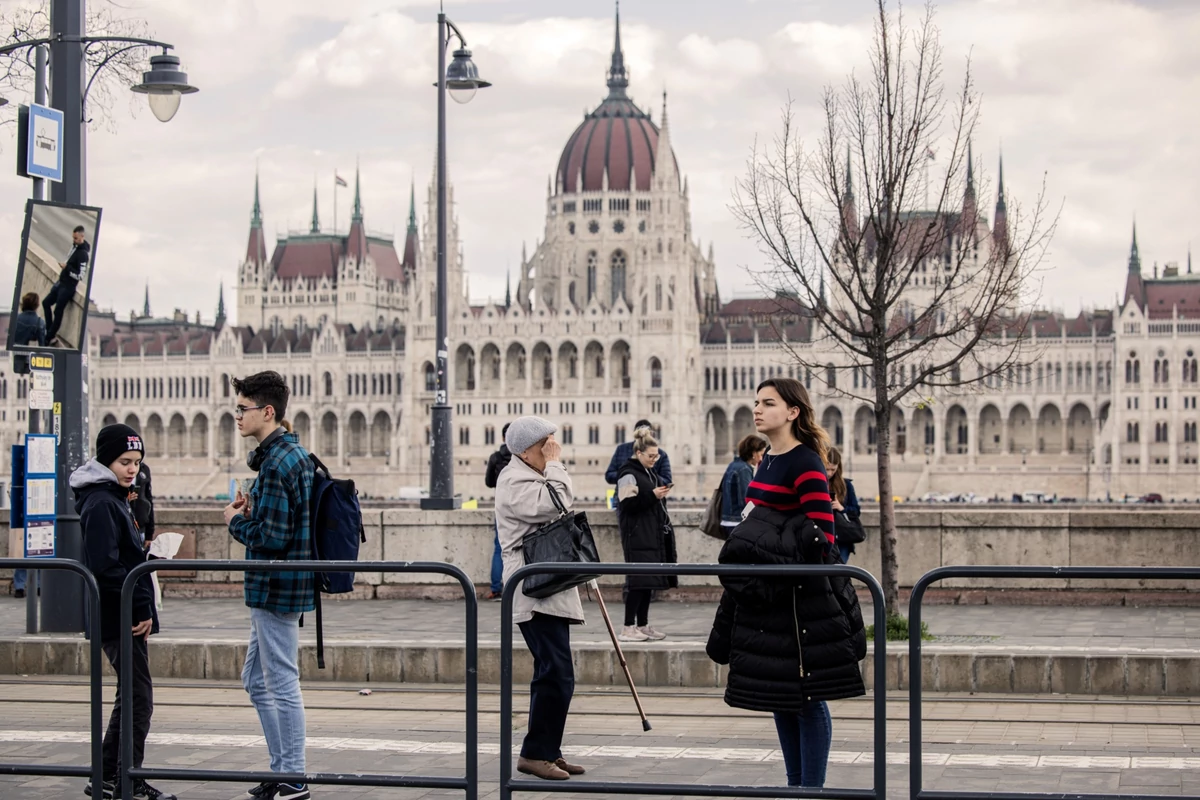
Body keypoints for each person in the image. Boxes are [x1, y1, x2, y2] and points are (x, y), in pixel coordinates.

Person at [705, 378, 866, 789]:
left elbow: (824, 537)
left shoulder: (806, 462)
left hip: (800, 602)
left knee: (808, 699)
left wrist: (769, 544)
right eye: (756, 402)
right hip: (769, 597)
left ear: (793, 412)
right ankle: (795, 786)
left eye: (768, 403)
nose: (757, 409)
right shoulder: (769, 460)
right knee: (779, 696)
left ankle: (810, 789)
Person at [72, 424, 176, 800]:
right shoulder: (102, 503)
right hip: (120, 614)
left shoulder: (115, 497)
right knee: (138, 699)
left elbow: (122, 557)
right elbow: (107, 567)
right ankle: (125, 778)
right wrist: (142, 605)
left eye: (137, 462)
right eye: (124, 461)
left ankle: (110, 775)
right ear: (105, 460)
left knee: (130, 695)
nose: (133, 469)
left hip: (124, 611)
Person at [224, 371, 314, 800]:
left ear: (268, 411)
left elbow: (273, 538)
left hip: (276, 585)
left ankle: (294, 777)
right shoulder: (289, 455)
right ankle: (282, 771)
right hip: (280, 585)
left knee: (279, 681)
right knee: (256, 681)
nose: (236, 416)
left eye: (242, 409)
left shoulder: (278, 463)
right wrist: (253, 508)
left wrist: (236, 521)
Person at [495, 417, 588, 782]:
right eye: (546, 445)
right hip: (533, 592)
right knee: (557, 674)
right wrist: (556, 464)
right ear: (526, 450)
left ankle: (549, 749)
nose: (553, 450)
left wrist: (550, 465)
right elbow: (559, 502)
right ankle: (535, 754)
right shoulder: (514, 480)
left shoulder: (530, 475)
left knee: (550, 673)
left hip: (547, 589)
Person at [615, 427, 677, 641]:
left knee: (647, 583)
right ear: (639, 454)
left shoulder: (649, 473)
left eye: (656, 456)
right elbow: (627, 504)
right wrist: (652, 495)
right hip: (636, 536)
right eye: (651, 456)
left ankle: (642, 625)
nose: (655, 459)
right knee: (637, 583)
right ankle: (627, 627)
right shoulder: (628, 474)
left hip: (651, 535)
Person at [43, 224, 90, 343]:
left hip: (68, 287)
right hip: (61, 283)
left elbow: (81, 275)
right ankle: (49, 329)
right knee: (45, 303)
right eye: (73, 238)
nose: (73, 240)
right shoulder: (74, 247)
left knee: (58, 311)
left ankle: (49, 337)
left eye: (76, 238)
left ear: (82, 237)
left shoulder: (83, 254)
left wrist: (67, 268)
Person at [483, 422, 513, 600]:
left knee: (499, 548)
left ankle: (496, 588)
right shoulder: (523, 457)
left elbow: (488, 482)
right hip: (522, 506)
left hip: (502, 506)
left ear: (503, 437)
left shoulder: (496, 457)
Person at [719, 434, 768, 534]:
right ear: (754, 453)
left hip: (728, 520)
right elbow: (746, 499)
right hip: (736, 522)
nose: (761, 459)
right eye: (761, 454)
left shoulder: (733, 465)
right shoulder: (744, 469)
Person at [605, 419, 671, 487]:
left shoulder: (662, 454)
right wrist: (627, 476)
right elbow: (609, 475)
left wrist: (644, 478)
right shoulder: (621, 449)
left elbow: (667, 481)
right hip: (624, 495)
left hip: (650, 496)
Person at [827, 448, 861, 564]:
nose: (830, 473)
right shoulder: (814, 483)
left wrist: (840, 508)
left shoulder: (846, 486)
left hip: (841, 537)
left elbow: (856, 511)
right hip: (821, 536)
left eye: (833, 469)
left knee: (839, 574)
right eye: (827, 469)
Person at [130, 461, 156, 545]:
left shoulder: (144, 469)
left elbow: (149, 501)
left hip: (141, 528)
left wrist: (149, 535)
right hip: (124, 529)